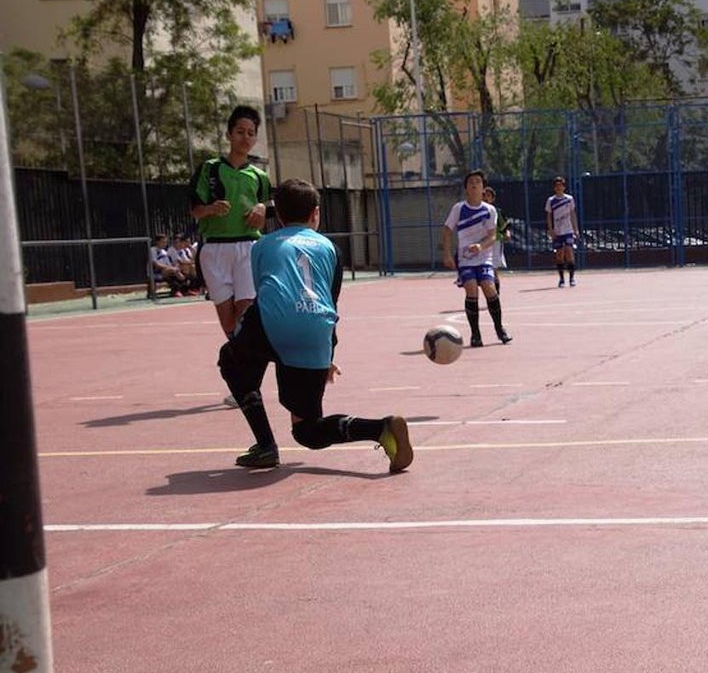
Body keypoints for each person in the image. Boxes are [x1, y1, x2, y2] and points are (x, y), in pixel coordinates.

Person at [217, 178, 414, 472]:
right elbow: (330, 305)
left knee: (232, 358)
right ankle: (381, 428)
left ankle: (266, 446)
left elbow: (266, 297)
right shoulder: (331, 249)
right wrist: (326, 357)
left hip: (274, 321)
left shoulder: (262, 246)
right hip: (316, 330)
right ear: (316, 214)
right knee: (308, 431)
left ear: (279, 216)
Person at [189, 105, 272, 338]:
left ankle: (243, 366)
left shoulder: (259, 176)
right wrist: (210, 209)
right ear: (228, 134)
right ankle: (238, 359)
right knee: (228, 324)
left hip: (248, 248)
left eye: (250, 133)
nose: (245, 137)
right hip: (214, 249)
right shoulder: (209, 169)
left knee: (245, 314)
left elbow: (273, 207)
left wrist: (263, 207)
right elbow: (194, 210)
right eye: (240, 131)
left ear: (255, 138)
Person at [441, 169, 512, 348]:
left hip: (484, 258)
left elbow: (492, 236)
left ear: (483, 188)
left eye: (478, 182)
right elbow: (447, 230)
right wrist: (447, 254)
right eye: (471, 182)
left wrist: (481, 246)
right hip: (465, 259)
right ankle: (475, 334)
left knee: (489, 288)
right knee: (471, 289)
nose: (474, 184)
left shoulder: (490, 210)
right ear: (466, 188)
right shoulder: (459, 208)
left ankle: (499, 329)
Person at [545, 176, 579, 287]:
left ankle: (572, 278)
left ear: (564, 187)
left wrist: (575, 229)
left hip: (568, 230)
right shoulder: (551, 200)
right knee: (559, 255)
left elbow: (573, 214)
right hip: (558, 231)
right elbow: (549, 216)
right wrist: (551, 229)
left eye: (561, 185)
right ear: (554, 188)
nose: (559, 187)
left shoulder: (569, 199)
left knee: (569, 252)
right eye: (557, 185)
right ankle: (561, 279)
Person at [482, 185, 510, 293]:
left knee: (493, 267)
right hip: (482, 242)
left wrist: (506, 233)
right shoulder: (477, 211)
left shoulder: (496, 211)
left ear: (493, 199)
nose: (486, 198)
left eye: (488, 196)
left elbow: (505, 225)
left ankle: (496, 292)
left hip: (495, 241)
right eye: (484, 195)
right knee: (484, 268)